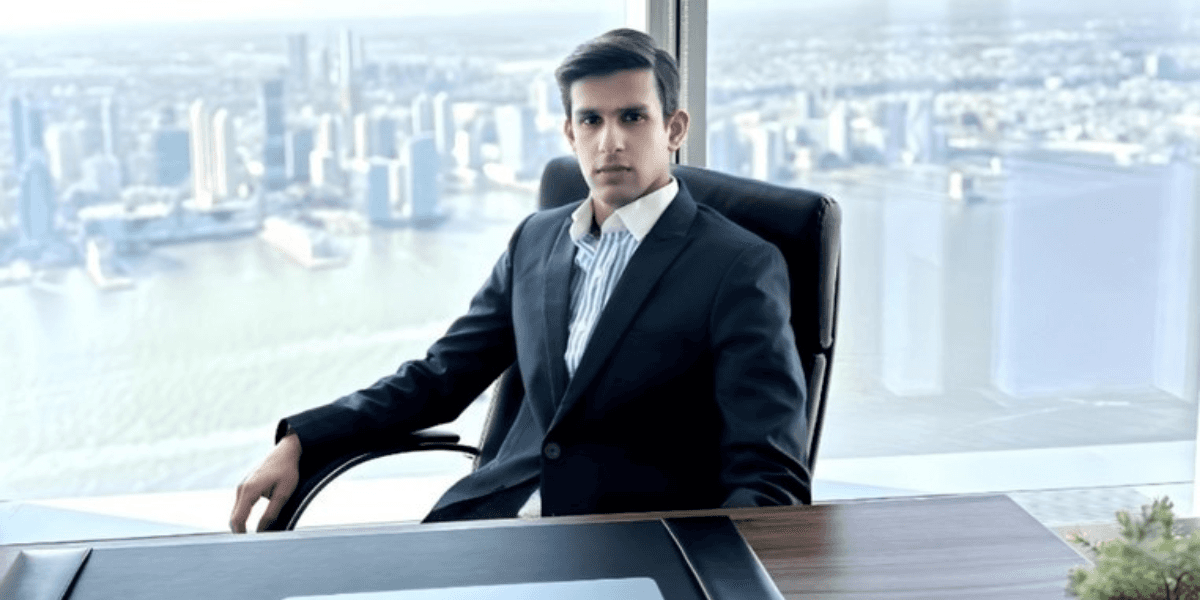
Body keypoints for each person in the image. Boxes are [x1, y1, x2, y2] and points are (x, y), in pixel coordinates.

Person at [230, 28, 810, 533]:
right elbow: (439, 378)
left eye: (633, 117)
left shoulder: (738, 266)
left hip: (629, 547)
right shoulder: (536, 239)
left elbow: (769, 476)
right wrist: (304, 439)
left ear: (674, 128)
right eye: (592, 120)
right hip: (492, 525)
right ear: (570, 134)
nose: (610, 141)